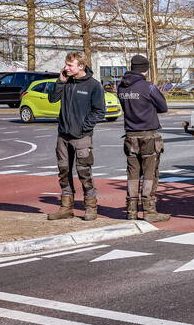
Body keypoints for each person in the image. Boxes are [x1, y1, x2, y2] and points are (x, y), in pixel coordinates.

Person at [47, 51, 105, 221]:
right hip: (62, 136)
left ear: (81, 66)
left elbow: (99, 111)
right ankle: (66, 208)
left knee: (84, 173)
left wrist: (83, 128)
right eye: (66, 64)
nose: (66, 68)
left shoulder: (93, 85)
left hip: (81, 137)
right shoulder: (66, 81)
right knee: (63, 172)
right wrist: (60, 81)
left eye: (70, 65)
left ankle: (91, 207)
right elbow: (52, 99)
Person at [117, 55, 170, 222]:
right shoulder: (148, 87)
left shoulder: (121, 86)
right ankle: (149, 210)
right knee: (150, 173)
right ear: (145, 69)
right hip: (148, 135)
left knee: (132, 173)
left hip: (130, 135)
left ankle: (131, 210)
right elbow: (163, 107)